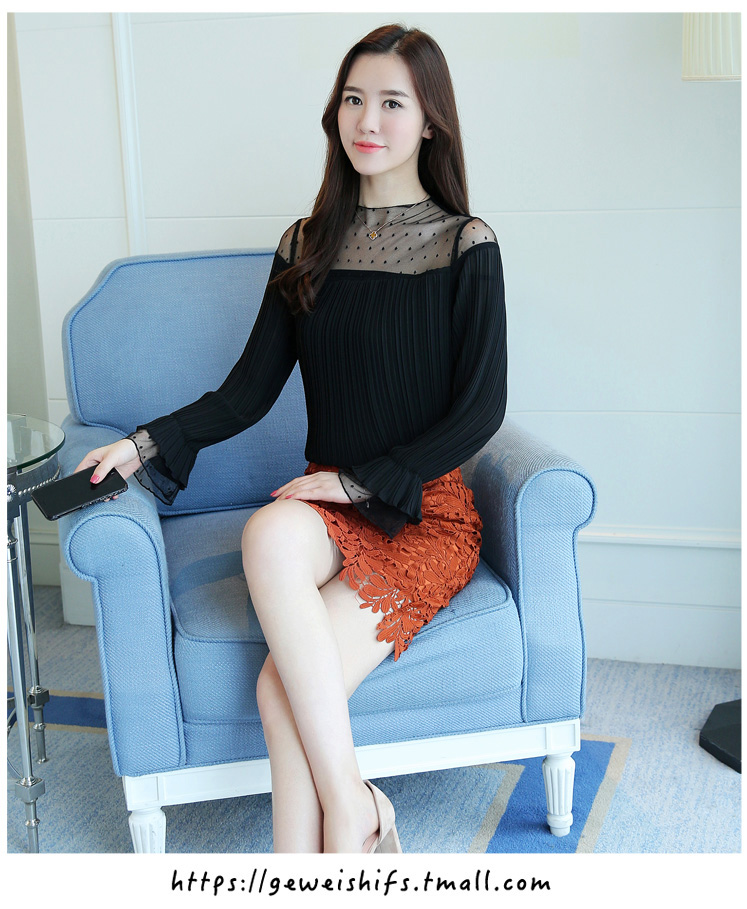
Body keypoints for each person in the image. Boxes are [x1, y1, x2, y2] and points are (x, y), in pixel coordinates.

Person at [74, 23, 507, 854]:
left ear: (431, 123)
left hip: (424, 511)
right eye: (353, 99)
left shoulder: (465, 244)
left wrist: (360, 481)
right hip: (331, 510)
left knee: (281, 690)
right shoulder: (304, 245)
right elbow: (246, 391)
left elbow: (480, 410)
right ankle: (357, 809)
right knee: (269, 530)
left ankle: (311, 856)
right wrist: (141, 445)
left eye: (392, 103)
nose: (367, 120)